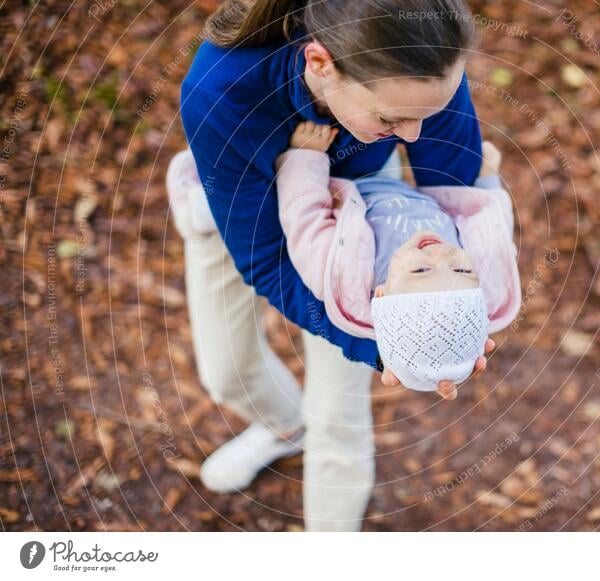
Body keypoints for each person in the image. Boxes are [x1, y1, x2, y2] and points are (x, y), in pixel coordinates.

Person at [170, 0, 495, 531]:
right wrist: (363, 337)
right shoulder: (222, 89)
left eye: (426, 114)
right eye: (391, 119)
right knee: (228, 374)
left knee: (337, 413)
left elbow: (453, 188)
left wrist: (408, 323)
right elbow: (266, 259)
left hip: (358, 219)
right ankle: (283, 427)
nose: (413, 136)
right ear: (320, 64)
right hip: (236, 207)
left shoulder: (424, 56)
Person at [273, 121, 520, 395]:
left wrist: (305, 158)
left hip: (339, 178)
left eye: (422, 270)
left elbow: (306, 219)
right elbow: (488, 228)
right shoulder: (486, 282)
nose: (441, 253)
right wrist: (486, 179)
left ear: (381, 294)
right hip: (396, 176)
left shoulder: (345, 277)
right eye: (462, 270)